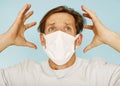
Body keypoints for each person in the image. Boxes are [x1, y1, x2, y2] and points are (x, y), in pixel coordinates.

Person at [0, 4, 120, 86]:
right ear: (43, 39)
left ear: (78, 40)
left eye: (67, 28)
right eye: (52, 28)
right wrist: (7, 38)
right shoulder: (24, 73)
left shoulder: (99, 73)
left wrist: (109, 37)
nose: (59, 35)